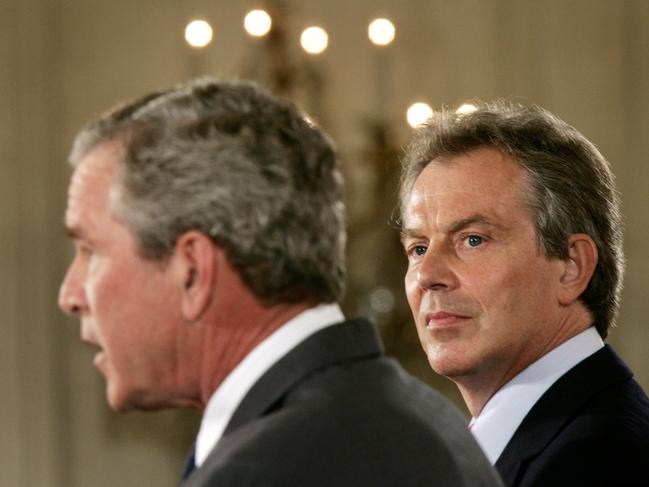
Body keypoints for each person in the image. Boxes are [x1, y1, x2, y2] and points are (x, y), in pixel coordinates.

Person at [58, 78, 501, 487]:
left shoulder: (264, 472)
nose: (70, 295)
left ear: (192, 270)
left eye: (90, 252)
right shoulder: (422, 415)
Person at [399, 100, 649, 486]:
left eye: (473, 240)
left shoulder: (596, 461)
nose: (427, 275)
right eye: (418, 248)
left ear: (571, 266)